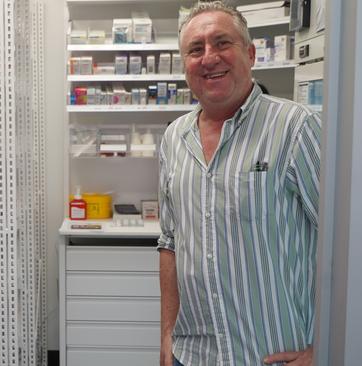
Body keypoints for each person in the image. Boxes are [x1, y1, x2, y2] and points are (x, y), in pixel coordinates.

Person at [157, 2, 321, 366]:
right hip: (193, 355)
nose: (209, 57)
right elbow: (169, 244)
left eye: (222, 43)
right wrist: (167, 336)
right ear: (185, 64)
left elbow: (347, 244)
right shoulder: (174, 138)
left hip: (272, 355)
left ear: (250, 53)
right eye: (195, 49)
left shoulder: (296, 127)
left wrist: (326, 345)